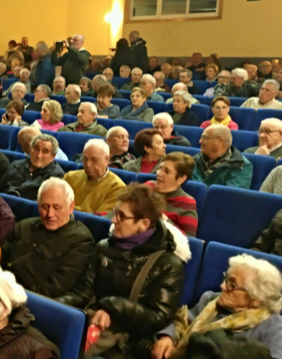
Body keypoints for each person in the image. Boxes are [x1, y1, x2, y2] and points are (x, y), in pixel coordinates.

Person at [57, 183, 189, 359]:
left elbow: (159, 317)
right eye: (115, 213)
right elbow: (84, 291)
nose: (113, 220)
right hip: (94, 321)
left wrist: (113, 307)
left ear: (144, 224)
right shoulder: (104, 247)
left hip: (127, 340)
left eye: (121, 216)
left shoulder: (168, 264)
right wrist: (56, 306)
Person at [152, 254, 282, 359]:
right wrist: (168, 337)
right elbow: (183, 322)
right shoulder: (210, 300)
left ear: (256, 299)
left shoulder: (274, 327)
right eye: (227, 279)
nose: (223, 287)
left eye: (233, 285)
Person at [64, 139, 127, 213]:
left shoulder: (117, 187)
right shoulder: (70, 177)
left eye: (94, 160)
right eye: (85, 159)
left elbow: (98, 221)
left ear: (107, 159)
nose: (88, 164)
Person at [144, 152, 198, 236]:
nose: (159, 173)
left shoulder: (187, 203)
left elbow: (189, 240)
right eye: (160, 168)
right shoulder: (148, 186)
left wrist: (164, 220)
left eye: (166, 171)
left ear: (181, 179)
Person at [0, 134, 65, 200]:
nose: (39, 155)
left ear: (53, 156)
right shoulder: (15, 165)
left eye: (45, 152)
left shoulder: (56, 176)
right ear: (30, 150)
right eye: (36, 149)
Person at [192, 124, 253, 189]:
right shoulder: (196, 159)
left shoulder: (241, 165)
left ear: (220, 140)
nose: (200, 141)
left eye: (205, 138)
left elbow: (231, 195)